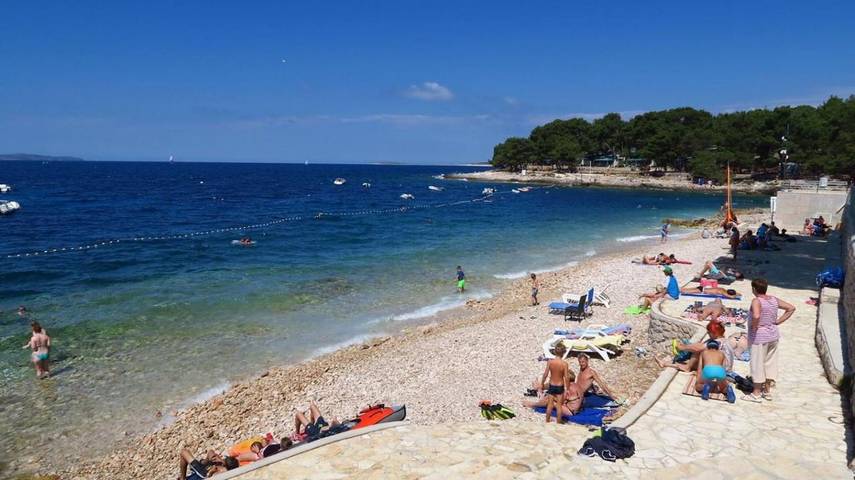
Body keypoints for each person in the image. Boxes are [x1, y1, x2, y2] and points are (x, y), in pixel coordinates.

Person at [743, 278, 795, 403]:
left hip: (759, 337)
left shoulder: (756, 301)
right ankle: (766, 391)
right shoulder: (773, 299)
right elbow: (791, 308)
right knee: (770, 363)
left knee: (757, 363)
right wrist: (778, 321)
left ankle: (756, 393)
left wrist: (755, 326)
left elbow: (756, 315)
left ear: (754, 289)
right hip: (773, 335)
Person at [656, 321, 731, 373]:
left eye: (709, 332)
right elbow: (701, 345)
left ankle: (686, 367)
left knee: (698, 352)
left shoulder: (717, 342)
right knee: (695, 356)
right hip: (723, 366)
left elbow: (698, 348)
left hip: (721, 368)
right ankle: (666, 363)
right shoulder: (722, 339)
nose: (707, 333)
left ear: (714, 333)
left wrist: (682, 347)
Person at [542, 342, 570, 423]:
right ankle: (558, 422)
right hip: (560, 386)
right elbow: (567, 377)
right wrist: (567, 388)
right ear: (563, 352)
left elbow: (545, 374)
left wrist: (542, 383)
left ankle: (547, 421)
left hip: (552, 385)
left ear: (555, 351)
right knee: (559, 406)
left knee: (550, 405)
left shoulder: (550, 362)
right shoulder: (564, 364)